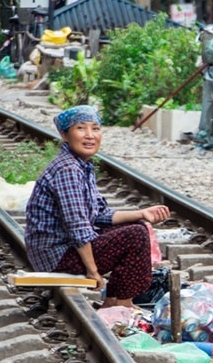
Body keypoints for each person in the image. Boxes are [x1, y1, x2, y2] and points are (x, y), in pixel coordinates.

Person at [24, 105, 171, 309]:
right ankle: (119, 304)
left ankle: (115, 301)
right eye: (81, 129)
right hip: (57, 256)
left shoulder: (81, 165)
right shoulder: (68, 169)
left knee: (137, 226)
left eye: (95, 128)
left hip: (63, 249)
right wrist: (93, 271)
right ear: (64, 135)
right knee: (135, 235)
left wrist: (142, 213)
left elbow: (99, 215)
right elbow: (78, 226)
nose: (90, 135)